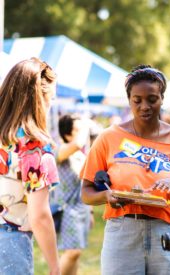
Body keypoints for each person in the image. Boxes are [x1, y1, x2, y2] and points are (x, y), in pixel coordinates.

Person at [80, 65, 170, 275]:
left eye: (152, 99)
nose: (145, 106)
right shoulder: (109, 137)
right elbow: (86, 192)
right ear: (129, 100)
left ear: (162, 98)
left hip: (167, 231)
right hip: (122, 233)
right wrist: (107, 195)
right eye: (137, 100)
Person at [0, 58, 60, 275]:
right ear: (38, 98)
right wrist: (55, 267)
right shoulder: (34, 147)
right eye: (50, 98)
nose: (50, 105)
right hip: (9, 243)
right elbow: (40, 216)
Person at [50, 114, 92, 275]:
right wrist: (86, 127)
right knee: (72, 252)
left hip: (81, 210)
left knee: (76, 254)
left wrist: (91, 211)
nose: (81, 132)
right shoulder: (60, 150)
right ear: (67, 133)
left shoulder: (80, 155)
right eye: (76, 129)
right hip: (66, 210)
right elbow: (78, 143)